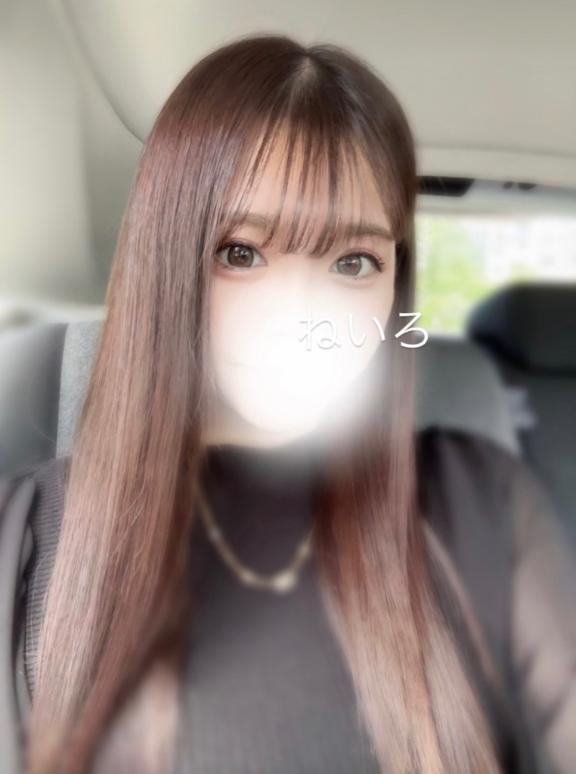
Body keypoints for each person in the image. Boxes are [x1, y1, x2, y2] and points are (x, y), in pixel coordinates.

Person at [0, 33, 574, 774]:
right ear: (167, 259)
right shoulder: (26, 540)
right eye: (241, 253)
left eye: (353, 262)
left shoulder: (484, 505)